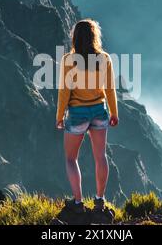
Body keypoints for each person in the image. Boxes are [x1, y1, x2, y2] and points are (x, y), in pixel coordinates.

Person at [56, 19, 119, 214]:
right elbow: (109, 88)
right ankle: (99, 200)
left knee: (70, 158)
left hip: (77, 113)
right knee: (100, 156)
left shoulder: (68, 60)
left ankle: (78, 202)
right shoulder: (104, 58)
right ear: (94, 36)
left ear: (75, 37)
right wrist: (114, 112)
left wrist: (59, 116)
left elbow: (64, 91)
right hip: (100, 110)